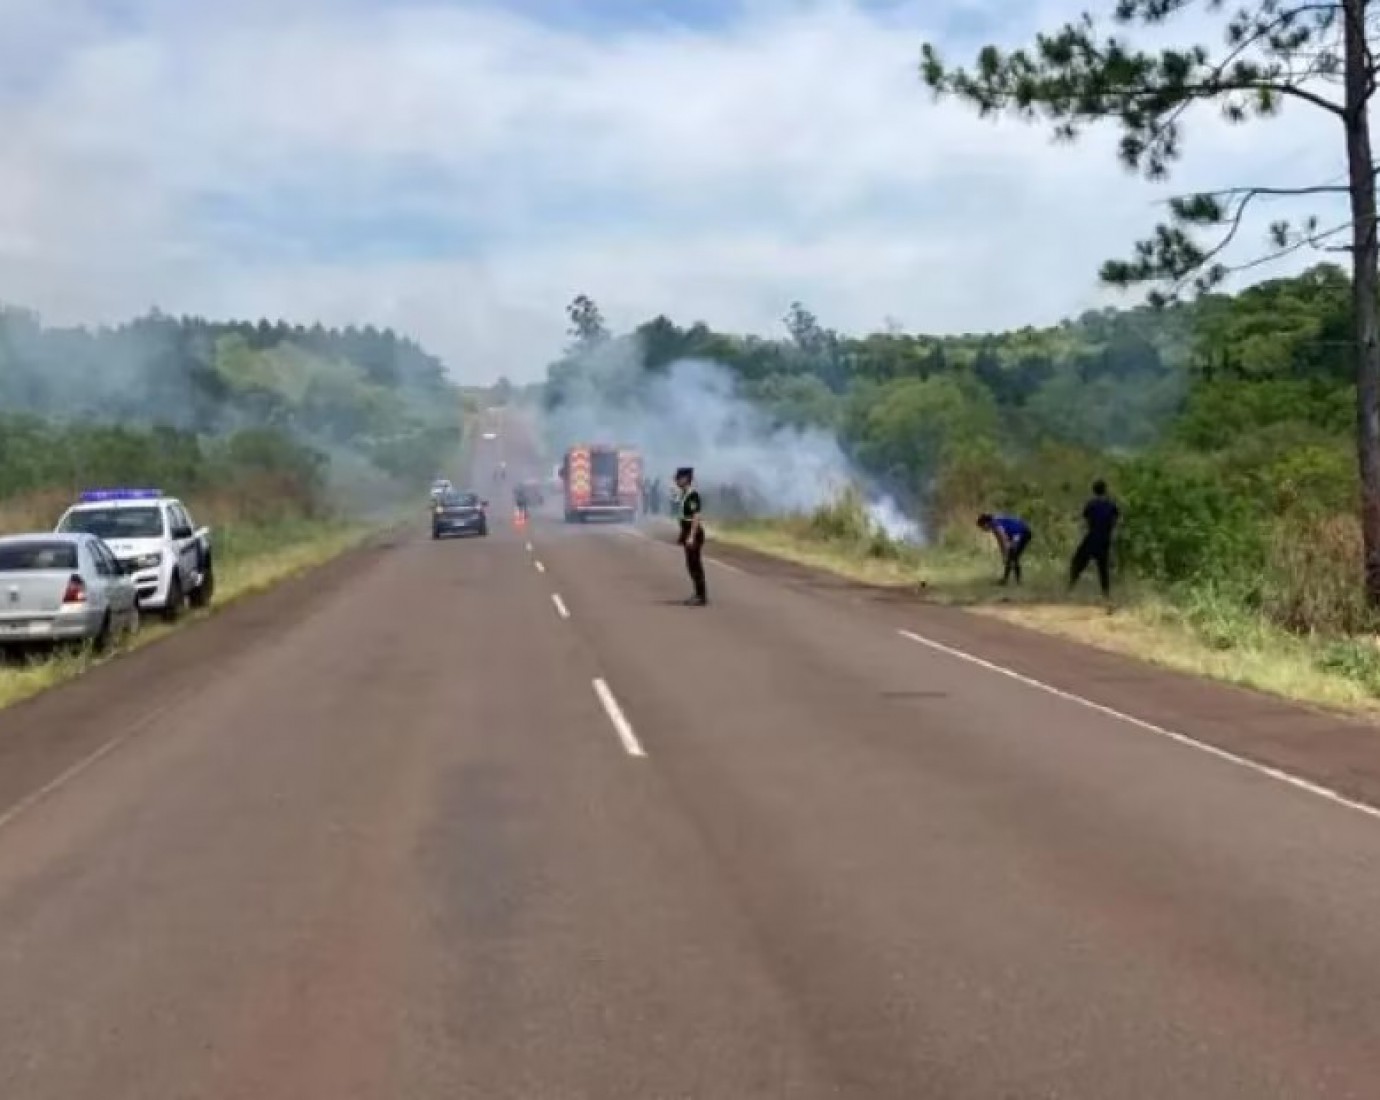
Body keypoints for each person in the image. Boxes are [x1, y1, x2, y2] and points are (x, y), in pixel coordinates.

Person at [1070, 478, 1119, 599]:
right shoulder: (1111, 504)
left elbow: (1085, 519)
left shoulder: (1091, 504)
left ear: (1094, 490)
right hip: (1105, 540)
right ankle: (1106, 595)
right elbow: (1116, 519)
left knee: (1077, 563)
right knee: (1103, 569)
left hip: (1092, 538)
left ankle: (1069, 588)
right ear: (1105, 490)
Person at [675, 466, 707, 606]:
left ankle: (701, 596)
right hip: (686, 530)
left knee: (695, 564)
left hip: (693, 531)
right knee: (690, 564)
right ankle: (698, 593)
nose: (677, 480)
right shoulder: (684, 494)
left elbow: (696, 517)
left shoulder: (693, 495)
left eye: (679, 478)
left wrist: (691, 536)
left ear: (686, 479)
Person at [977, 512, 1032, 586]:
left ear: (985, 523)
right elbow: (1000, 542)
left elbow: (1003, 538)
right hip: (1018, 533)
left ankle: (1011, 580)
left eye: (982, 527)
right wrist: (1004, 555)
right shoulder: (994, 523)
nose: (983, 530)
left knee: (1013, 556)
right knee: (1012, 556)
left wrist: (1006, 553)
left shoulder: (995, 524)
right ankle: (1010, 580)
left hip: (1023, 532)